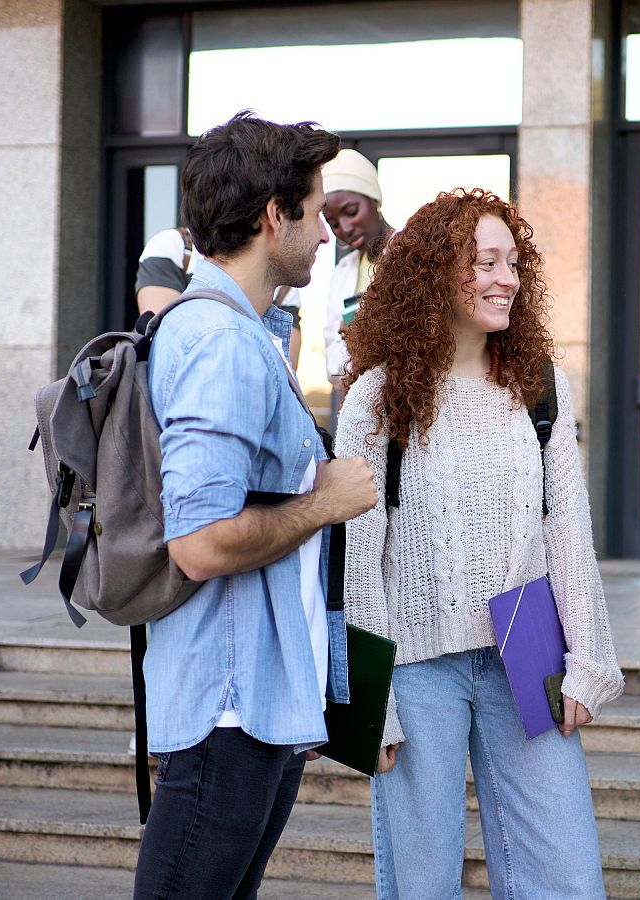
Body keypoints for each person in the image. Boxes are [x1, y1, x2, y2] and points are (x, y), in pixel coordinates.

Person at [337, 188, 623, 899]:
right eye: (484, 263)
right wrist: (373, 704)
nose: (507, 279)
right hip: (414, 668)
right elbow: (360, 559)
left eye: (513, 263)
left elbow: (568, 527)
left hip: (524, 654)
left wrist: (587, 658)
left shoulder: (541, 386)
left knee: (566, 879)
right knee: (423, 884)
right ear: (436, 276)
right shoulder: (376, 398)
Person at [132, 111, 377, 899]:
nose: (326, 233)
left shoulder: (245, 334)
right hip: (225, 712)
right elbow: (200, 543)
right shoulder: (221, 343)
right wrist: (324, 501)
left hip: (252, 705)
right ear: (275, 218)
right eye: (312, 210)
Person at [137, 224, 303, 370]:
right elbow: (167, 346)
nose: (324, 235)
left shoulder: (282, 283)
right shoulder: (174, 246)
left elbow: (284, 371)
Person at [321, 149, 395, 386]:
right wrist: (352, 340)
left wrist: (368, 334)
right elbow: (334, 368)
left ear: (374, 199)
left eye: (351, 212)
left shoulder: (413, 255)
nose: (345, 228)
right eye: (333, 223)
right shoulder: (343, 272)